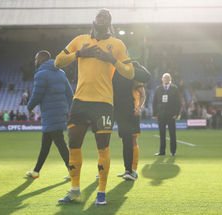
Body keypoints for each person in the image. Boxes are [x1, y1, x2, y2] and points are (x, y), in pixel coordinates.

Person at [54, 8, 134, 205]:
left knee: (103, 148)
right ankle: (74, 190)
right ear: (94, 20)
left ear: (109, 23)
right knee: (73, 144)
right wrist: (80, 53)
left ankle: (101, 192)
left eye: (107, 15)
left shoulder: (117, 44)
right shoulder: (80, 40)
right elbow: (57, 61)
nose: (104, 15)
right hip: (80, 101)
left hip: (103, 103)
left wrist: (111, 59)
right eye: (100, 14)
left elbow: (130, 72)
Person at [26, 50, 73, 179]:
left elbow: (37, 95)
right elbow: (70, 94)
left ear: (41, 59)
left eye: (36, 59)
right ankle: (36, 171)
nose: (35, 61)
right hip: (59, 113)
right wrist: (71, 111)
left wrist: (29, 107)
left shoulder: (41, 74)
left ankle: (72, 171)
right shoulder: (61, 73)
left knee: (60, 143)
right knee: (46, 145)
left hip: (50, 114)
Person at [113, 61, 150, 181]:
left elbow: (143, 95)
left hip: (133, 112)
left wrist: (139, 107)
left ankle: (133, 170)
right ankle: (127, 170)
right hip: (124, 111)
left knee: (133, 140)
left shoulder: (136, 79)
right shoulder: (124, 78)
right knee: (126, 140)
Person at [153, 73, 181, 156]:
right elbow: (154, 102)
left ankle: (173, 151)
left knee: (172, 134)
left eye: (167, 78)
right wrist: (155, 114)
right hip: (161, 115)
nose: (166, 79)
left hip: (171, 115)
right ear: (162, 79)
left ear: (170, 79)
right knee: (162, 134)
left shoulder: (174, 88)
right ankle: (162, 152)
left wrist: (176, 113)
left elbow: (178, 102)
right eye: (164, 78)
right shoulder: (158, 89)